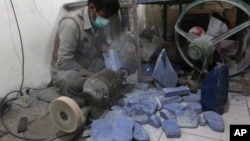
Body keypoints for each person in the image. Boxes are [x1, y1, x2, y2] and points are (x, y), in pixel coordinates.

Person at [50, 0, 120, 100]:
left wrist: (109, 51)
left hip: (84, 64)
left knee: (104, 65)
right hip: (65, 70)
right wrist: (92, 76)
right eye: (105, 16)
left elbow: (100, 41)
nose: (106, 20)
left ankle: (92, 88)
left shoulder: (95, 18)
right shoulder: (70, 24)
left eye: (109, 17)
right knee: (69, 80)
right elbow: (64, 62)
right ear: (92, 7)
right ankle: (87, 98)